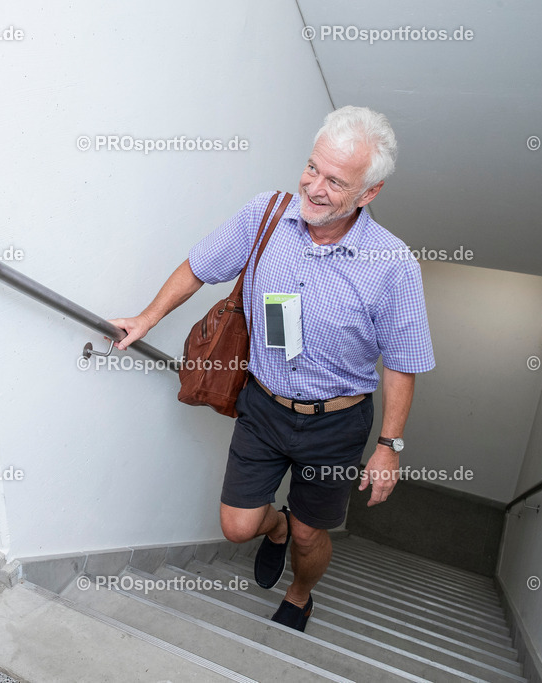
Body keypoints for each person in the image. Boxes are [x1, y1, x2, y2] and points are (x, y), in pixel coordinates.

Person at [109, 106, 435, 631]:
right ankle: (276, 528)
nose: (315, 187)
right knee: (238, 527)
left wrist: (388, 447)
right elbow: (199, 266)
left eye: (335, 181)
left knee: (313, 534)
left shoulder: (392, 264)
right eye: (312, 168)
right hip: (262, 404)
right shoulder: (266, 215)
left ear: (367, 194)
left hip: (337, 424)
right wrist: (148, 318)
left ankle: (301, 592)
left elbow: (404, 362)